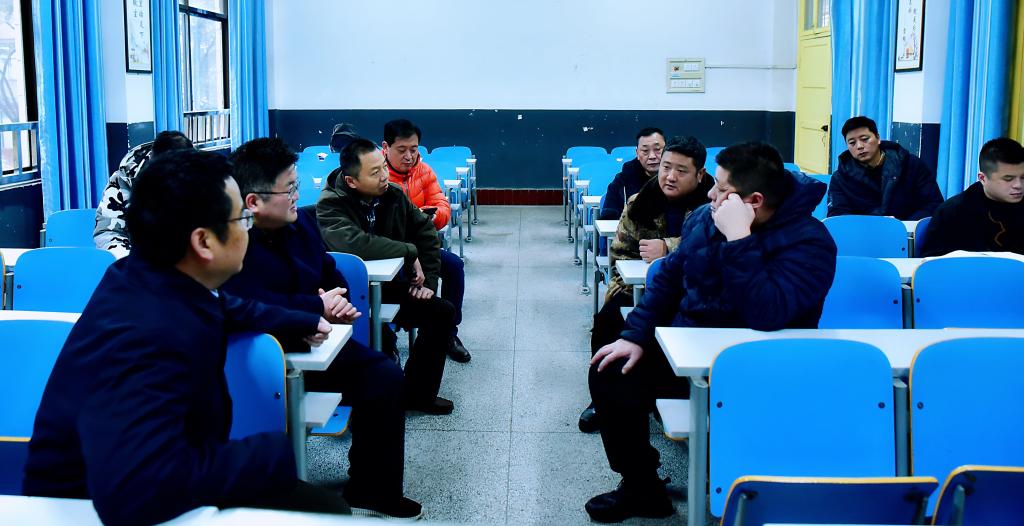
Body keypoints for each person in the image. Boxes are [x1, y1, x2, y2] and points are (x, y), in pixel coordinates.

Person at [23, 150, 350, 526]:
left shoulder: (149, 276)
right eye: (242, 218)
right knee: (324, 511)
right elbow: (135, 492)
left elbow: (228, 307)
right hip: (92, 507)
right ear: (204, 242)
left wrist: (304, 318)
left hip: (148, 472)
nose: (248, 229)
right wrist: (269, 453)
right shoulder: (146, 336)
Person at [585, 142, 837, 523]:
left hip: (765, 365)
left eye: (721, 189)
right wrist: (634, 335)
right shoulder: (706, 218)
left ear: (753, 201)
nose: (710, 195)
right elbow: (668, 278)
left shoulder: (811, 242)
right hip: (693, 350)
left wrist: (740, 240)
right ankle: (642, 487)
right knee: (611, 370)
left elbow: (768, 313)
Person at [220, 138, 420, 519]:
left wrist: (334, 302)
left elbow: (330, 274)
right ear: (253, 202)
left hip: (317, 343)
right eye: (289, 189)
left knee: (384, 376)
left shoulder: (302, 224)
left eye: (296, 185)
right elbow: (248, 303)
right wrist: (314, 309)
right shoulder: (233, 243)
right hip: (261, 354)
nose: (298, 195)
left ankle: (372, 489)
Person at [578, 135, 714, 433]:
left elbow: (716, 251)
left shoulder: (715, 205)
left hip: (698, 296)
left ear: (700, 174)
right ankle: (600, 400)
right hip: (639, 291)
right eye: (666, 167)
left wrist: (668, 246)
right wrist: (628, 294)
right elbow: (619, 258)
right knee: (608, 321)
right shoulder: (639, 203)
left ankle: (674, 397)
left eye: (681, 170)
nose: (670, 176)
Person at [317, 137, 456, 415]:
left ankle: (417, 394)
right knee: (376, 340)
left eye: (383, 167)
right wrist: (408, 252)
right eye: (375, 172)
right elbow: (356, 244)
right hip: (345, 297)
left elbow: (425, 232)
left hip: (388, 287)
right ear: (352, 181)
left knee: (442, 312)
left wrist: (429, 282)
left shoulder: (393, 194)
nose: (384, 176)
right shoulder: (330, 204)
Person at [381, 118, 470, 363]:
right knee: (391, 279)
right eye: (402, 150)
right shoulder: (376, 173)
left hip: (422, 244)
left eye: (414, 149)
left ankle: (449, 333)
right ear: (386, 147)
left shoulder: (424, 171)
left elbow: (442, 205)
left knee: (454, 266)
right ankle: (387, 339)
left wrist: (430, 217)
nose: (409, 156)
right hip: (390, 249)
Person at [94, 130, 194, 258]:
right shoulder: (124, 180)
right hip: (137, 259)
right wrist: (131, 261)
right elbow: (108, 232)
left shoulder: (208, 179)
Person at [920, 137, 1024, 256]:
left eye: (1023, 177)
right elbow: (932, 262)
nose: (1018, 185)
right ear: (983, 178)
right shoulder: (953, 212)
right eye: (1008, 179)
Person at [827, 115, 943, 220]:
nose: (859, 146)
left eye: (865, 139)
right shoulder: (840, 179)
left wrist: (902, 226)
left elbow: (933, 205)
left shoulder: (911, 165)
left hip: (908, 232)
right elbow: (837, 217)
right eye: (852, 143)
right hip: (863, 233)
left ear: (878, 138)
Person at [599, 127, 666, 220]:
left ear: (667, 150)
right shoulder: (622, 181)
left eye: (657, 149)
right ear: (637, 153)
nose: (652, 156)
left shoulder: (676, 179)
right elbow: (608, 218)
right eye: (645, 151)